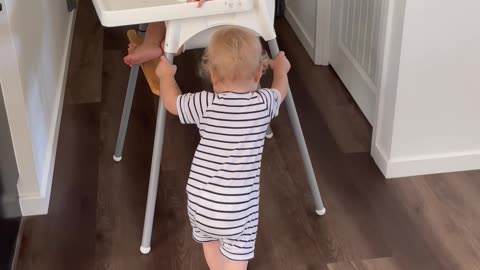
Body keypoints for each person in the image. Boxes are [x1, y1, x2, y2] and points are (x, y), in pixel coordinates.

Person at [155, 26, 291, 270]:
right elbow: (281, 90)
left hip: (200, 200)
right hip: (238, 206)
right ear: (259, 74)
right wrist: (281, 70)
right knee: (238, 253)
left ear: (213, 76)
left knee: (210, 241)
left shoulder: (206, 104)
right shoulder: (263, 103)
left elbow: (172, 103)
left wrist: (166, 76)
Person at [123, 0, 206, 66]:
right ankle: (151, 43)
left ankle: (169, 43)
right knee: (163, 10)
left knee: (168, 11)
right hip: (181, 9)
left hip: (208, 15)